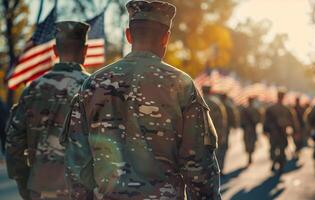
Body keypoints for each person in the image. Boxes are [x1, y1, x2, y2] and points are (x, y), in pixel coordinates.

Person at [61, 1, 221, 199]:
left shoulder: (93, 84)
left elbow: (77, 162)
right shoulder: (181, 85)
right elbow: (199, 167)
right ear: (166, 38)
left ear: (128, 35)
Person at [6, 21, 90, 200]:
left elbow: (14, 141)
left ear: (55, 50)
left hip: (41, 188)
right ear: (85, 50)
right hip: (83, 190)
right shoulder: (94, 88)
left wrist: (24, 183)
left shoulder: (33, 89)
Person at [263, 90, 295, 173]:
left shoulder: (271, 108)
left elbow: (266, 121)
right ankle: (279, 164)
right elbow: (292, 121)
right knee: (281, 149)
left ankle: (276, 163)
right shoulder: (286, 109)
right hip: (281, 133)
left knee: (274, 149)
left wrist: (265, 130)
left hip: (274, 133)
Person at [202, 87, 228, 174]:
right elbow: (221, 120)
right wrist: (221, 134)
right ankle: (217, 170)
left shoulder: (196, 102)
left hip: (199, 133)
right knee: (217, 152)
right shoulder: (216, 103)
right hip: (214, 132)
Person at [240, 97, 261, 165]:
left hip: (247, 129)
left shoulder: (244, 109)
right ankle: (250, 155)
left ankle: (249, 155)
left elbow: (241, 120)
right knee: (252, 142)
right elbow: (258, 119)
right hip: (252, 129)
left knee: (247, 141)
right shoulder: (255, 109)